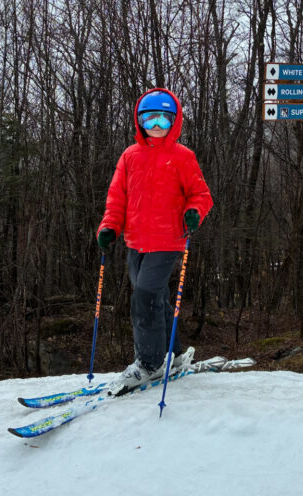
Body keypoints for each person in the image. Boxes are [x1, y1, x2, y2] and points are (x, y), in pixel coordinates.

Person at [97, 87, 213, 396]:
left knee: (145, 295)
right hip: (135, 241)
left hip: (168, 240)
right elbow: (116, 198)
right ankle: (170, 355)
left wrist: (193, 213)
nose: (158, 125)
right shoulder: (130, 156)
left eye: (164, 118)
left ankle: (148, 363)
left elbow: (201, 195)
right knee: (155, 295)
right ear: (140, 121)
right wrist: (109, 227)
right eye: (150, 118)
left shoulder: (182, 156)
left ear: (174, 121)